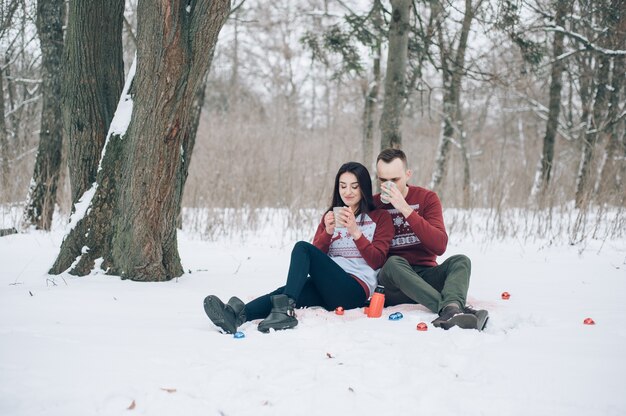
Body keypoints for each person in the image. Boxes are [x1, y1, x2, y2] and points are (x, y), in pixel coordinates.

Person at [203, 162, 394, 334]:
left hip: (354, 291)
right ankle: (237, 316)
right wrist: (327, 232)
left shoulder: (380, 218)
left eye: (354, 186)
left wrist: (355, 231)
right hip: (328, 287)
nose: (348, 192)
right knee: (287, 291)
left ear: (364, 188)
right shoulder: (331, 217)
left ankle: (284, 312)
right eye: (343, 186)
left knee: (302, 248)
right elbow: (314, 258)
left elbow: (377, 260)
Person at [374, 148, 489, 330]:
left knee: (460, 261)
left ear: (408, 174)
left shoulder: (427, 199)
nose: (390, 185)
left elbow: (440, 246)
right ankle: (450, 309)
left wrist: (405, 209)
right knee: (394, 262)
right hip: (394, 282)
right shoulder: (374, 204)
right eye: (383, 180)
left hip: (426, 277)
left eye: (395, 180)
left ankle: (452, 307)